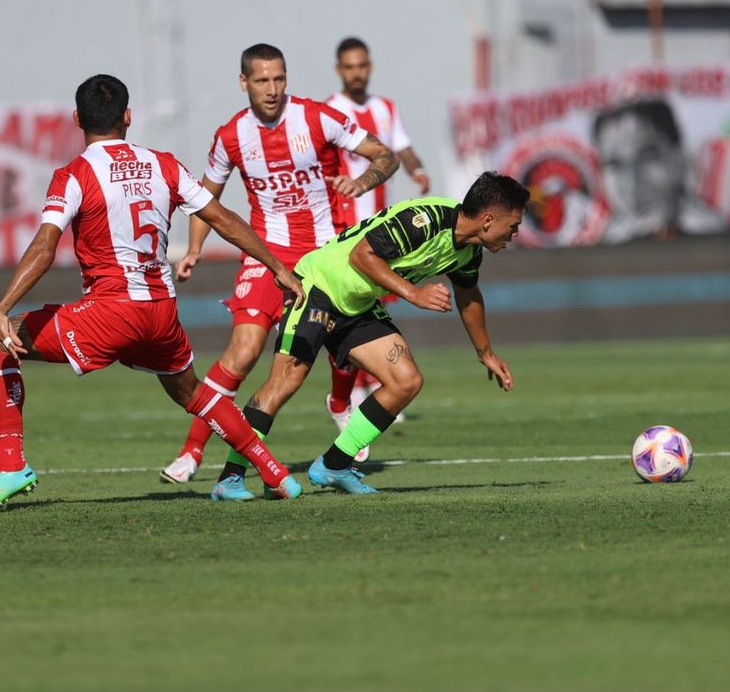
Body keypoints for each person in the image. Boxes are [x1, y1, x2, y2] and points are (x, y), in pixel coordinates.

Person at [0, 74, 306, 513]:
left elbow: (45, 244)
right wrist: (277, 266)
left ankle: (13, 466)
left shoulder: (74, 174)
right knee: (190, 391)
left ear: (77, 119)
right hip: (161, 314)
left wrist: (4, 305)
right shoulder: (163, 164)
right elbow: (222, 217)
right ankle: (274, 471)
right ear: (127, 117)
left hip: (110, 312)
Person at [157, 43, 399, 490]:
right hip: (266, 254)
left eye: (279, 79)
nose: (272, 89)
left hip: (326, 256)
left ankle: (340, 402)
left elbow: (386, 156)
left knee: (344, 348)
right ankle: (192, 451)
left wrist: (360, 181)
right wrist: (192, 249)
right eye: (263, 80)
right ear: (244, 82)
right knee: (244, 352)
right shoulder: (230, 135)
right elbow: (204, 199)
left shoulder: (317, 118)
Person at [207, 172, 528, 498]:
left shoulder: (469, 252)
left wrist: (485, 352)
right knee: (286, 381)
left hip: (356, 303)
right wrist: (413, 294)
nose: (514, 234)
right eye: (512, 226)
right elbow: (361, 255)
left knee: (406, 380)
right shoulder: (425, 220)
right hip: (318, 287)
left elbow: (469, 295)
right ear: (488, 219)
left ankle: (334, 464)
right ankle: (230, 477)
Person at [325, 36, 432, 451]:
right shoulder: (330, 110)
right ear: (339, 69)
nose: (357, 73)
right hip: (343, 226)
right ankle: (354, 392)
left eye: (362, 65)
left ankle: (372, 386)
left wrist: (418, 169)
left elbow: (399, 147)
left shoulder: (385, 108)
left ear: (370, 66)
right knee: (351, 306)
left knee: (374, 306)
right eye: (349, 67)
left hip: (381, 228)